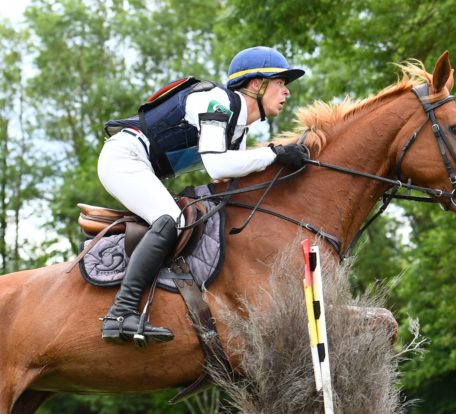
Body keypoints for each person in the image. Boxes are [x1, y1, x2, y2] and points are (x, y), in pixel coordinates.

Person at [97, 46, 310, 344]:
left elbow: (222, 177)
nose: (286, 93)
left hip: (141, 163)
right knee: (171, 219)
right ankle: (120, 314)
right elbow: (218, 163)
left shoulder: (238, 128)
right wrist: (274, 153)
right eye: (280, 83)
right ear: (255, 84)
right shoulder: (218, 102)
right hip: (124, 158)